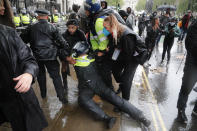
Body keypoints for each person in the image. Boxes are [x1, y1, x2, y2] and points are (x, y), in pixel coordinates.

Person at [71, 41, 151, 129]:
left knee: (116, 99)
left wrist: (102, 53)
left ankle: (140, 116)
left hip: (98, 85)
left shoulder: (89, 57)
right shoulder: (83, 58)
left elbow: (103, 63)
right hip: (88, 87)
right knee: (83, 100)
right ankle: (107, 118)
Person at [0, 0, 48, 130]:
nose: (3, 8)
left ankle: (45, 94)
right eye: (0, 4)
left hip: (18, 96)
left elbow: (27, 57)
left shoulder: (10, 33)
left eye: (4, 4)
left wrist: (28, 74)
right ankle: (46, 95)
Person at [20, 9, 69, 104]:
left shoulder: (31, 27)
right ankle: (62, 97)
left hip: (37, 56)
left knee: (41, 76)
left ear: (38, 17)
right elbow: (62, 42)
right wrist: (61, 47)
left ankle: (43, 95)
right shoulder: (53, 27)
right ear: (47, 17)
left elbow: (22, 40)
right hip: (51, 56)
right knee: (56, 77)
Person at [103, 14, 140, 102]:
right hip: (123, 54)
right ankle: (122, 85)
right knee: (115, 71)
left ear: (112, 25)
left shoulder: (126, 36)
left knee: (126, 80)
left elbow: (128, 55)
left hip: (133, 57)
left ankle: (125, 102)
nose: (105, 29)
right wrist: (109, 49)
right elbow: (113, 45)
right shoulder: (114, 32)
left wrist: (115, 52)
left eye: (106, 27)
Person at [176, 20, 197, 123]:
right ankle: (181, 110)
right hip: (192, 64)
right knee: (186, 88)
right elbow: (189, 45)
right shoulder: (194, 27)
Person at [61, 19, 87, 93]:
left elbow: (84, 44)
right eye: (69, 27)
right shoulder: (64, 35)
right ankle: (65, 84)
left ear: (77, 27)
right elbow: (61, 48)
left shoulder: (81, 34)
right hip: (66, 53)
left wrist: (81, 54)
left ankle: (81, 84)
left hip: (76, 53)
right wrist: (66, 57)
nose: (70, 30)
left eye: (73, 28)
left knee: (79, 69)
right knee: (64, 67)